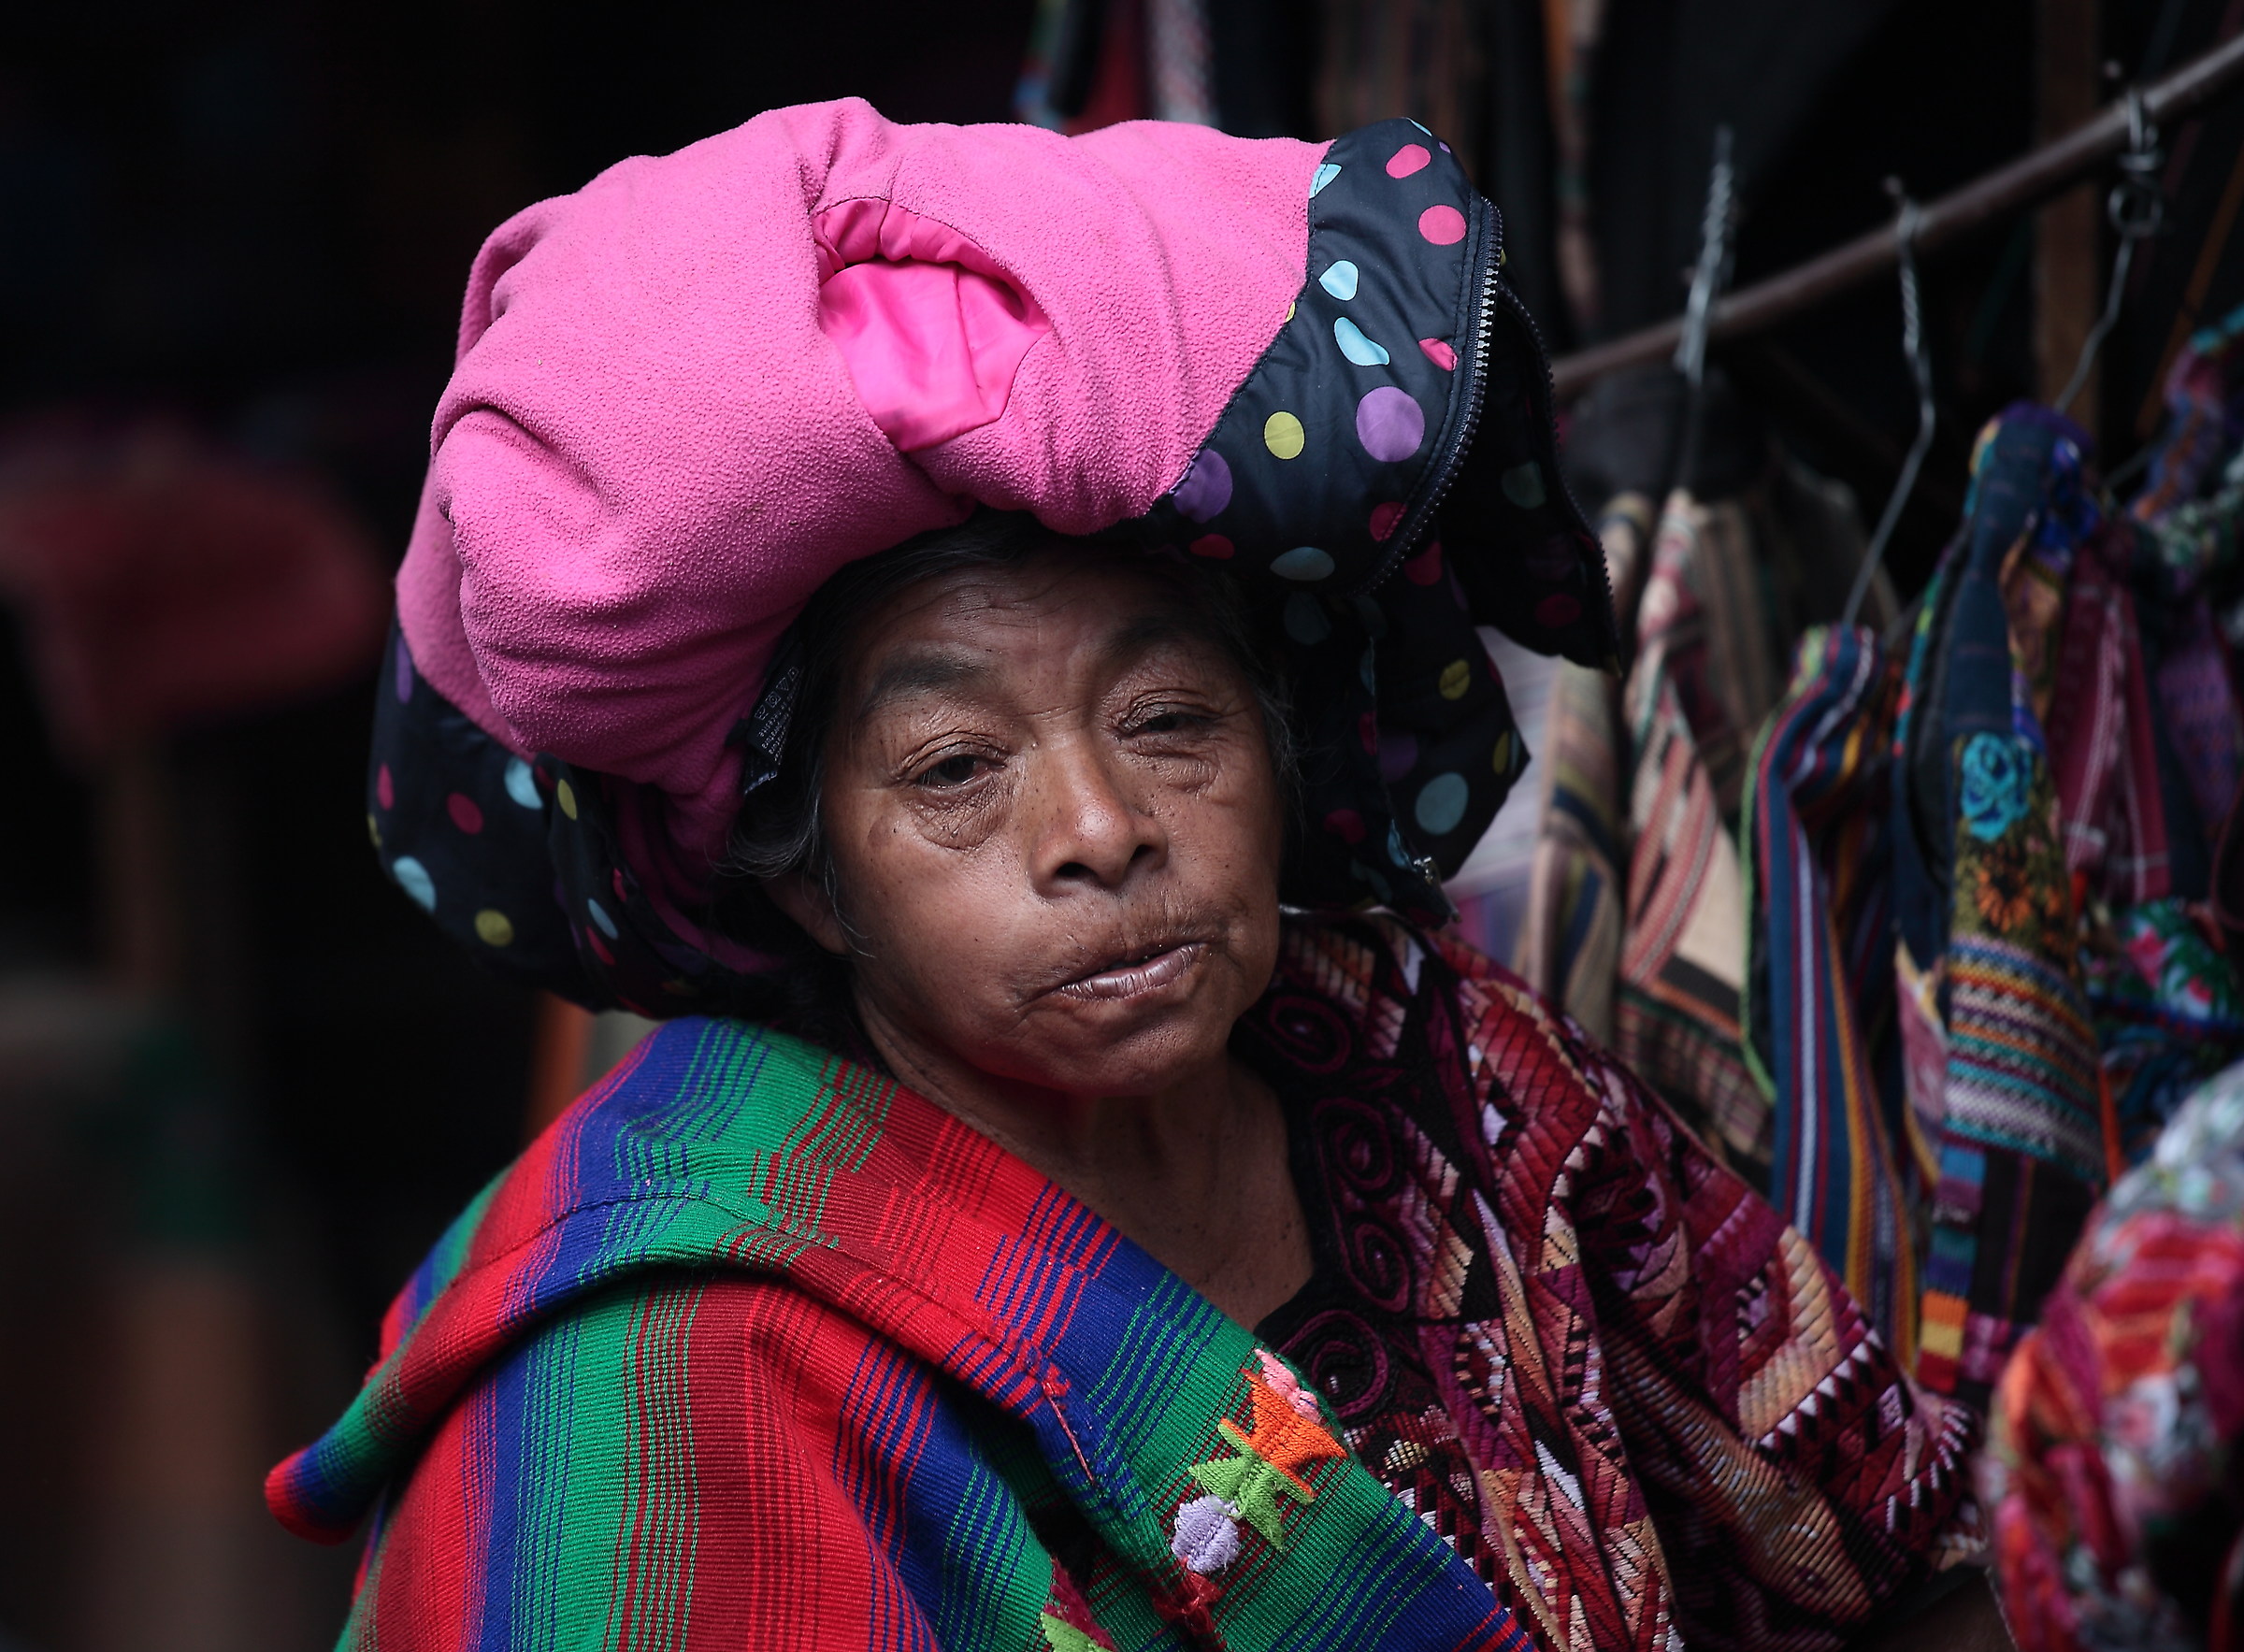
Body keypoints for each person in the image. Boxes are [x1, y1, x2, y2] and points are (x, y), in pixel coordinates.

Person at [271, 100, 2000, 1651]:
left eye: (1169, 721)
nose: (1101, 828)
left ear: (1278, 745)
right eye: (955, 769)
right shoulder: (675, 1380)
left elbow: (1895, 1550)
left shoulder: (1439, 1065)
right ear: (808, 881)